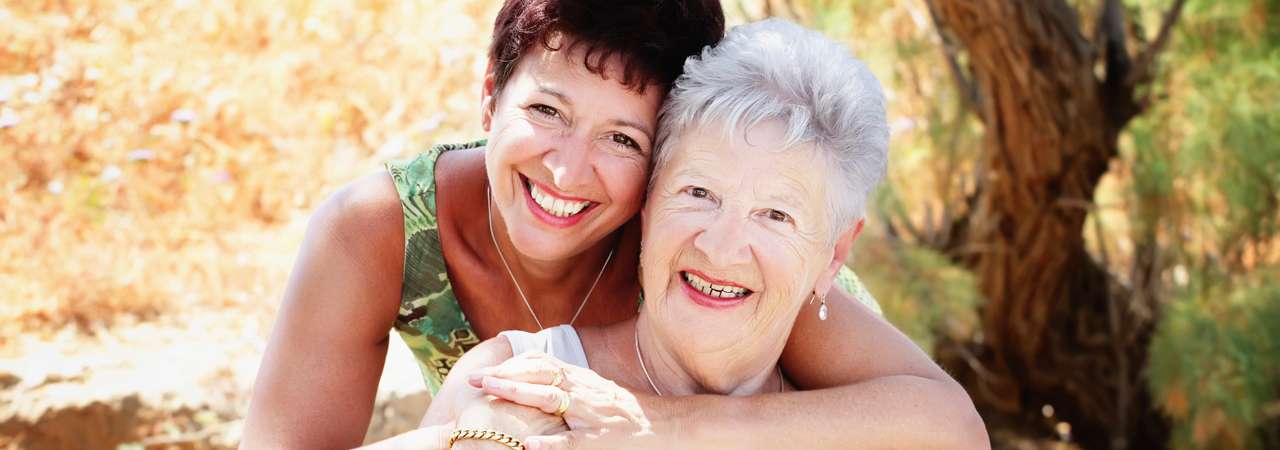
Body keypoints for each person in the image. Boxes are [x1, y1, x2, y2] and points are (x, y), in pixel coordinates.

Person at [240, 1, 981, 448]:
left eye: (623, 139)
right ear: (490, 96)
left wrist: (663, 428)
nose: (567, 171)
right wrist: (467, 434)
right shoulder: (382, 232)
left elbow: (945, 424)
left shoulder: (741, 266)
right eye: (546, 112)